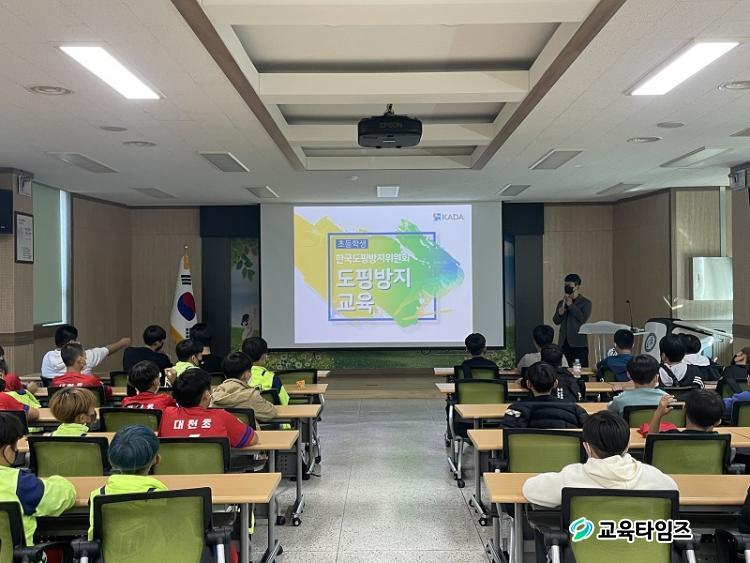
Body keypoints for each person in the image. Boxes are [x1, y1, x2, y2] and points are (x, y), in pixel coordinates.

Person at [522, 411, 677, 508]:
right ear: (627, 446)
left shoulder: (570, 477)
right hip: (644, 547)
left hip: (585, 547)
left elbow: (529, 489)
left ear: (587, 447)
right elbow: (674, 490)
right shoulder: (655, 477)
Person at [0, 412, 76, 547]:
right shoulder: (20, 484)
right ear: (6, 451)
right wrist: (57, 479)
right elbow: (65, 496)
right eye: (15, 446)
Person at [87, 425, 166, 539]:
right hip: (154, 550)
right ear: (156, 459)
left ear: (112, 461)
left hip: (110, 551)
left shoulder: (97, 495)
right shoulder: (162, 497)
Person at [159, 368, 257, 448]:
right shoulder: (222, 416)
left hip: (173, 467)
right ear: (206, 395)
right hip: (213, 467)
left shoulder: (167, 414)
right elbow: (252, 439)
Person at [501, 363, 588, 429]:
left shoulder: (515, 409)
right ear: (555, 384)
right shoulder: (575, 409)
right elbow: (590, 433)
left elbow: (504, 435)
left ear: (528, 384)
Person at [41, 324, 130, 383]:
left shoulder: (47, 357)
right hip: (84, 399)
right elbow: (107, 350)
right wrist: (122, 343)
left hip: (57, 401)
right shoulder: (84, 356)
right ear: (72, 342)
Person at [211, 352, 277, 422]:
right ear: (246, 375)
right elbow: (270, 413)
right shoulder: (251, 396)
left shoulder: (213, 396)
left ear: (225, 375)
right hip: (247, 429)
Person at [552, 273, 592, 367]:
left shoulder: (585, 302)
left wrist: (571, 305)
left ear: (577, 286)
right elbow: (556, 321)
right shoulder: (562, 302)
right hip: (563, 343)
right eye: (565, 285)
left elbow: (582, 319)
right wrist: (560, 314)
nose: (567, 288)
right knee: (564, 368)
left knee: (580, 370)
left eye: (569, 285)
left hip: (578, 343)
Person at [649, 390, 723, 435]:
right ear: (718, 421)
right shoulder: (720, 443)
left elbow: (651, 440)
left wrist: (658, 414)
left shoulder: (670, 437)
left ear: (684, 409)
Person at [242, 337, 289, 405]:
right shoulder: (272, 378)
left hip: (241, 411)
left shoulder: (236, 375)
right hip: (267, 411)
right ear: (264, 356)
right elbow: (285, 402)